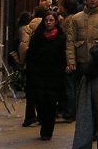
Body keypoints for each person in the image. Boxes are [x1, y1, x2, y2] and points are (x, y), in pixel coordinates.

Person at [24, 9, 67, 140]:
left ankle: (47, 131)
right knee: (40, 101)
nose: (48, 23)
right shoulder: (37, 37)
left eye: (51, 20)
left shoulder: (61, 37)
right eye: (46, 20)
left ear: (55, 22)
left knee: (51, 102)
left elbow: (63, 56)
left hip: (55, 75)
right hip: (39, 74)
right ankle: (43, 120)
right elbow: (31, 55)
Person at [18, 1, 50, 127]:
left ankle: (30, 116)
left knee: (31, 90)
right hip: (46, 63)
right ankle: (43, 116)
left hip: (32, 63)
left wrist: (22, 62)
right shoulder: (50, 26)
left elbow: (23, 46)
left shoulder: (28, 27)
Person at [56, 0, 80, 120]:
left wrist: (69, 61)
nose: (58, 7)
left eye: (60, 5)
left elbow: (68, 40)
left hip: (67, 58)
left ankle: (70, 112)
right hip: (67, 57)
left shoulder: (69, 20)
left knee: (70, 86)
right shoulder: (67, 19)